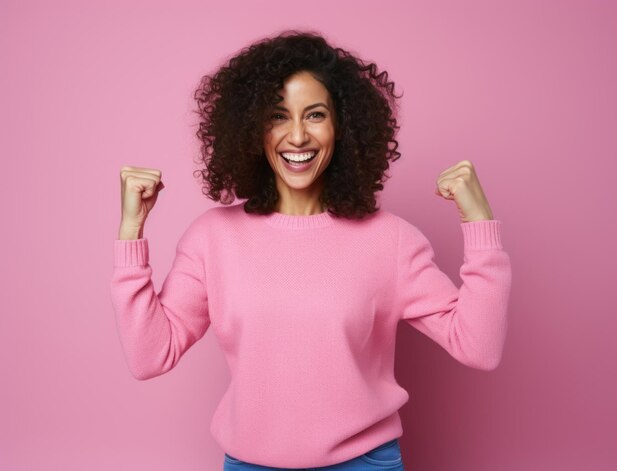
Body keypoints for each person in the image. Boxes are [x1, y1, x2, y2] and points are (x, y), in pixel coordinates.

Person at [110, 30, 512, 470]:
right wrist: (132, 230)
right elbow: (151, 356)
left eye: (315, 115)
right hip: (249, 464)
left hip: (364, 463)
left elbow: (479, 347)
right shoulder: (213, 238)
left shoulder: (391, 240)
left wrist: (479, 224)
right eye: (278, 116)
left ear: (342, 127)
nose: (297, 136)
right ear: (251, 130)